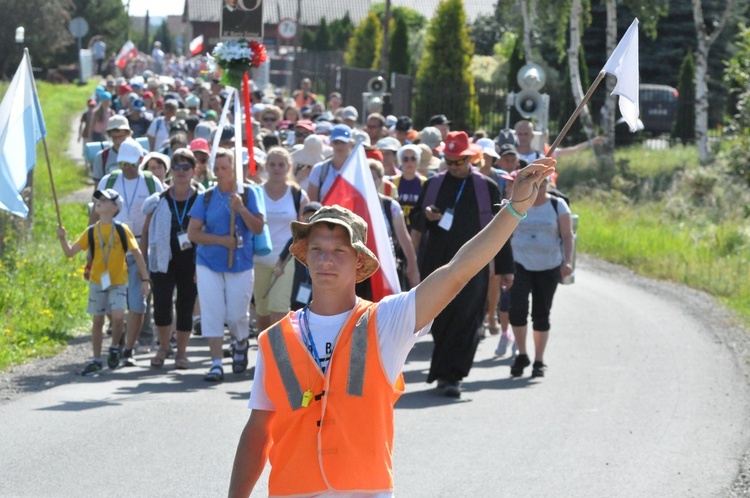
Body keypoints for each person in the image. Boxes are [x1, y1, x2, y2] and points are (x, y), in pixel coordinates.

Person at [227, 158, 556, 497]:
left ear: (359, 261)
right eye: (317, 250)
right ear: (305, 256)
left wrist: (514, 210)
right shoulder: (275, 339)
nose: (326, 260)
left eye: (339, 250)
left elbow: (457, 271)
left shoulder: (386, 321)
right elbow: (257, 432)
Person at [410, 131, 514, 398]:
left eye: (459, 162)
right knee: (441, 318)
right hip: (437, 263)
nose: (454, 167)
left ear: (471, 159)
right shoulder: (432, 184)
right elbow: (416, 222)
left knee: (468, 319)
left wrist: (505, 267)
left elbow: (499, 229)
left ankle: (451, 375)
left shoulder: (487, 186)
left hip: (474, 265)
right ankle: (444, 369)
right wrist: (427, 217)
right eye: (449, 161)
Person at [187, 148, 265, 382]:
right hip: (208, 262)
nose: (220, 173)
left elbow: (258, 228)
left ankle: (240, 341)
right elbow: (193, 232)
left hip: (240, 263)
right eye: (217, 168)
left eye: (225, 168)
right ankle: (216, 363)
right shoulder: (206, 197)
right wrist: (221, 241)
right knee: (212, 312)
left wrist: (241, 208)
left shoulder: (249, 194)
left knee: (236, 314)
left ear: (234, 170)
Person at [57, 189, 150, 376]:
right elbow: (69, 252)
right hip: (97, 282)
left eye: (105, 200)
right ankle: (96, 359)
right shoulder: (91, 231)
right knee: (97, 320)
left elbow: (138, 255)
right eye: (98, 199)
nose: (99, 201)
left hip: (118, 281)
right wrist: (62, 238)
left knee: (117, 316)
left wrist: (145, 279)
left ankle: (115, 346)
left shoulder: (122, 230)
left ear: (115, 208)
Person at [94, 138, 164, 366]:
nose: (127, 168)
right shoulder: (109, 180)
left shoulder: (152, 183)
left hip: (140, 249)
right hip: (109, 250)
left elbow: (161, 216)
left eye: (132, 163)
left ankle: (128, 350)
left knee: (137, 302)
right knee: (107, 298)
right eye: (123, 163)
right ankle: (118, 336)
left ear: (141, 160)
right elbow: (94, 215)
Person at [508, 175, 574, 378]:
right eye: (537, 182)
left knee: (541, 313)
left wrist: (567, 260)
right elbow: (506, 233)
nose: (541, 186)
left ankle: (538, 360)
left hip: (549, 266)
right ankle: (522, 354)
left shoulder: (558, 205)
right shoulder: (519, 203)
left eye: (544, 182)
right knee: (517, 310)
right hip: (520, 263)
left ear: (549, 184)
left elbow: (567, 235)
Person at [141, 149, 199, 370]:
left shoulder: (201, 199)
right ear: (170, 171)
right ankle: (164, 346)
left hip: (191, 261)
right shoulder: (159, 200)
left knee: (185, 307)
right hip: (162, 260)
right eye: (177, 167)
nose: (181, 171)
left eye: (186, 167)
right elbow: (146, 232)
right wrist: (144, 265)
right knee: (162, 306)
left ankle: (181, 353)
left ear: (194, 170)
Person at [253, 147, 308, 332]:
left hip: (286, 260)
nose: (277, 168)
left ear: (289, 167)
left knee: (279, 310)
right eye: (273, 164)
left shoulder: (298, 194)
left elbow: (305, 227)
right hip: (258, 258)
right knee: (262, 311)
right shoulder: (256, 192)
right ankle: (265, 351)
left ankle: (280, 353)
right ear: (266, 166)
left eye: (281, 164)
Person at [306, 124, 352, 202]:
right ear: (331, 143)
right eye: (336, 142)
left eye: (343, 142)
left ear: (350, 143)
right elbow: (312, 204)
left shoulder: (359, 170)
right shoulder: (319, 170)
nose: (339, 146)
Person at [390, 144, 427, 231]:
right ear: (401, 161)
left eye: (413, 158)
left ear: (418, 161)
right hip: (397, 229)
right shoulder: (392, 182)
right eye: (405, 159)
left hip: (417, 230)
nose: (410, 162)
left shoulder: (425, 182)